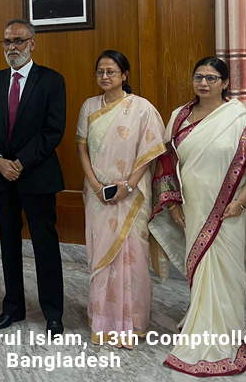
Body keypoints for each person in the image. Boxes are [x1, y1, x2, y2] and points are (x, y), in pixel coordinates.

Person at [148, 57, 246, 376]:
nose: (204, 83)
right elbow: (164, 164)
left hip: (229, 211)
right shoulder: (179, 117)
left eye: (212, 78)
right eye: (198, 77)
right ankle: (199, 321)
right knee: (200, 271)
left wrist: (240, 202)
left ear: (225, 83)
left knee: (226, 274)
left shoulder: (241, 118)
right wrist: (172, 203)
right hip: (192, 208)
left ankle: (224, 334)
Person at [0, 19, 66, 336]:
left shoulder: (52, 81)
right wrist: (0, 161)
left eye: (18, 40)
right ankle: (12, 308)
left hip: (38, 177)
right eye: (6, 41)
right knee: (8, 245)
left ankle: (53, 313)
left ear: (32, 43)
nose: (11, 47)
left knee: (45, 246)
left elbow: (53, 131)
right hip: (3, 178)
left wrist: (21, 162)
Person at [75, 51, 165, 348]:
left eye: (111, 72)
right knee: (100, 256)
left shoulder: (142, 109)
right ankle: (102, 321)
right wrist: (94, 183)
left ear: (124, 75)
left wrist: (128, 184)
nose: (105, 77)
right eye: (100, 72)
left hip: (132, 196)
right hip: (97, 195)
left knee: (132, 257)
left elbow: (150, 151)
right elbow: (82, 149)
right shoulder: (89, 106)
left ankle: (133, 322)